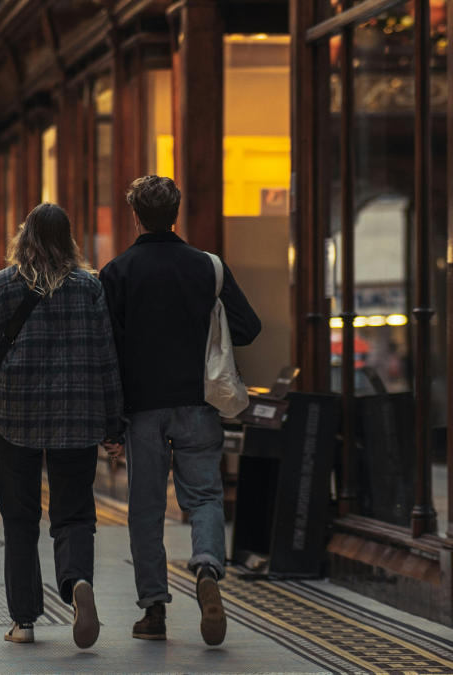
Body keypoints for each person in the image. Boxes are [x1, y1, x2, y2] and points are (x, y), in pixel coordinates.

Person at [99, 176, 260, 645]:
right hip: (199, 402)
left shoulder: (117, 272)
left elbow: (108, 352)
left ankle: (154, 612)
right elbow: (248, 327)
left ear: (135, 216)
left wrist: (110, 423)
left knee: (146, 509)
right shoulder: (207, 267)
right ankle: (207, 567)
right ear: (176, 214)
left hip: (141, 409)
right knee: (205, 496)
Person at [0, 202, 125, 649]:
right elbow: (107, 359)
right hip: (78, 418)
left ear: (25, 237)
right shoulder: (90, 288)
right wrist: (114, 425)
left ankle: (24, 621)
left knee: (20, 519)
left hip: (18, 418)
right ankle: (77, 583)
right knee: (74, 513)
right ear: (68, 240)